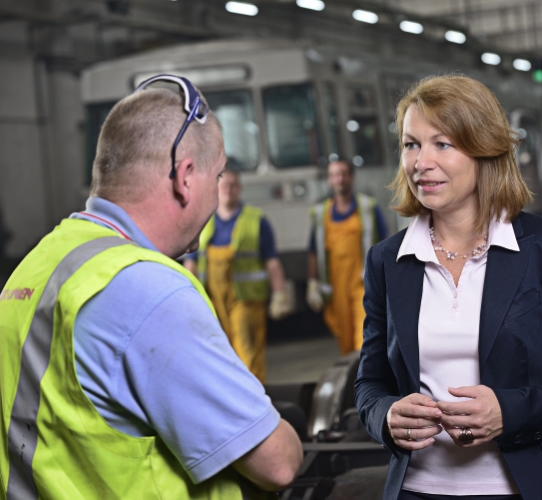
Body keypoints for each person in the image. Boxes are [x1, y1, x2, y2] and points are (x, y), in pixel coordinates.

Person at [0, 75, 302, 499]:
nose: (217, 197)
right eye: (216, 177)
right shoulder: (149, 291)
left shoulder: (38, 264)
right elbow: (278, 465)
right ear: (185, 176)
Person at [354, 75, 542, 500]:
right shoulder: (388, 261)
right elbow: (369, 383)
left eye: (442, 144)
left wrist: (509, 412)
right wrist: (386, 416)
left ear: (484, 149)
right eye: (411, 144)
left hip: (532, 487)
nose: (421, 162)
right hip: (419, 490)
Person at [184, 167, 292, 383]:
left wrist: (280, 292)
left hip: (246, 301)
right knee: (221, 353)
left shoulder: (256, 220)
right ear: (216, 188)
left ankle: (255, 402)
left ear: (239, 189)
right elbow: (192, 261)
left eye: (232, 185)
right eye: (224, 185)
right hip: (214, 301)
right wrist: (186, 294)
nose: (228, 190)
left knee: (247, 353)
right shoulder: (204, 221)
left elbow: (271, 260)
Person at [306, 159, 388, 355]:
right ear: (329, 180)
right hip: (336, 290)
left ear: (351, 176)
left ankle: (368, 382)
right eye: (334, 174)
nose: (339, 179)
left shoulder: (368, 207)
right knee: (345, 341)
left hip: (363, 286)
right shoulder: (320, 214)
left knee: (364, 338)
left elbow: (385, 243)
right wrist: (312, 283)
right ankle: (356, 383)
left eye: (343, 173)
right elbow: (313, 251)